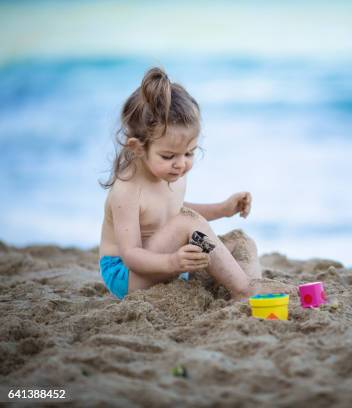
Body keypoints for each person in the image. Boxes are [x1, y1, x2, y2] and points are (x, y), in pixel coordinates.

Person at [98, 67, 291, 300]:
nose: (181, 164)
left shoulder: (172, 173)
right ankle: (244, 288)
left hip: (169, 261)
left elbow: (173, 211)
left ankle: (248, 290)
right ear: (138, 148)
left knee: (241, 241)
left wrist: (223, 209)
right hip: (129, 275)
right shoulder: (127, 190)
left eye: (189, 153)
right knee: (187, 221)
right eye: (169, 156)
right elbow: (131, 254)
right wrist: (172, 261)